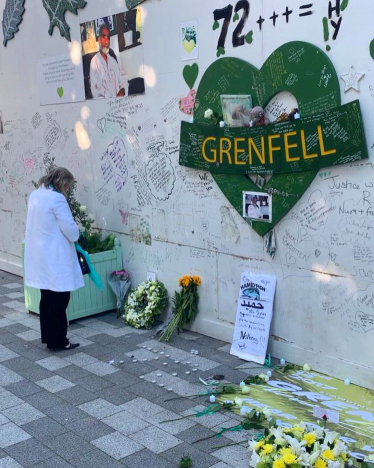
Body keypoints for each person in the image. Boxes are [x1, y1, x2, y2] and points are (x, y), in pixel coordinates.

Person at [24, 168, 83, 351]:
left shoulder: (35, 194)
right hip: (56, 256)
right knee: (61, 298)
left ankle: (49, 338)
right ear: (61, 182)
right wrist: (77, 234)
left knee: (47, 297)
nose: (67, 189)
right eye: (67, 185)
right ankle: (59, 340)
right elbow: (70, 230)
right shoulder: (57, 199)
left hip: (40, 255)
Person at [90, 24, 125, 99]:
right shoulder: (94, 62)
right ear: (99, 40)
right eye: (104, 37)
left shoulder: (113, 60)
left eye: (108, 37)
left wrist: (122, 89)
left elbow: (122, 79)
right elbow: (95, 91)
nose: (106, 41)